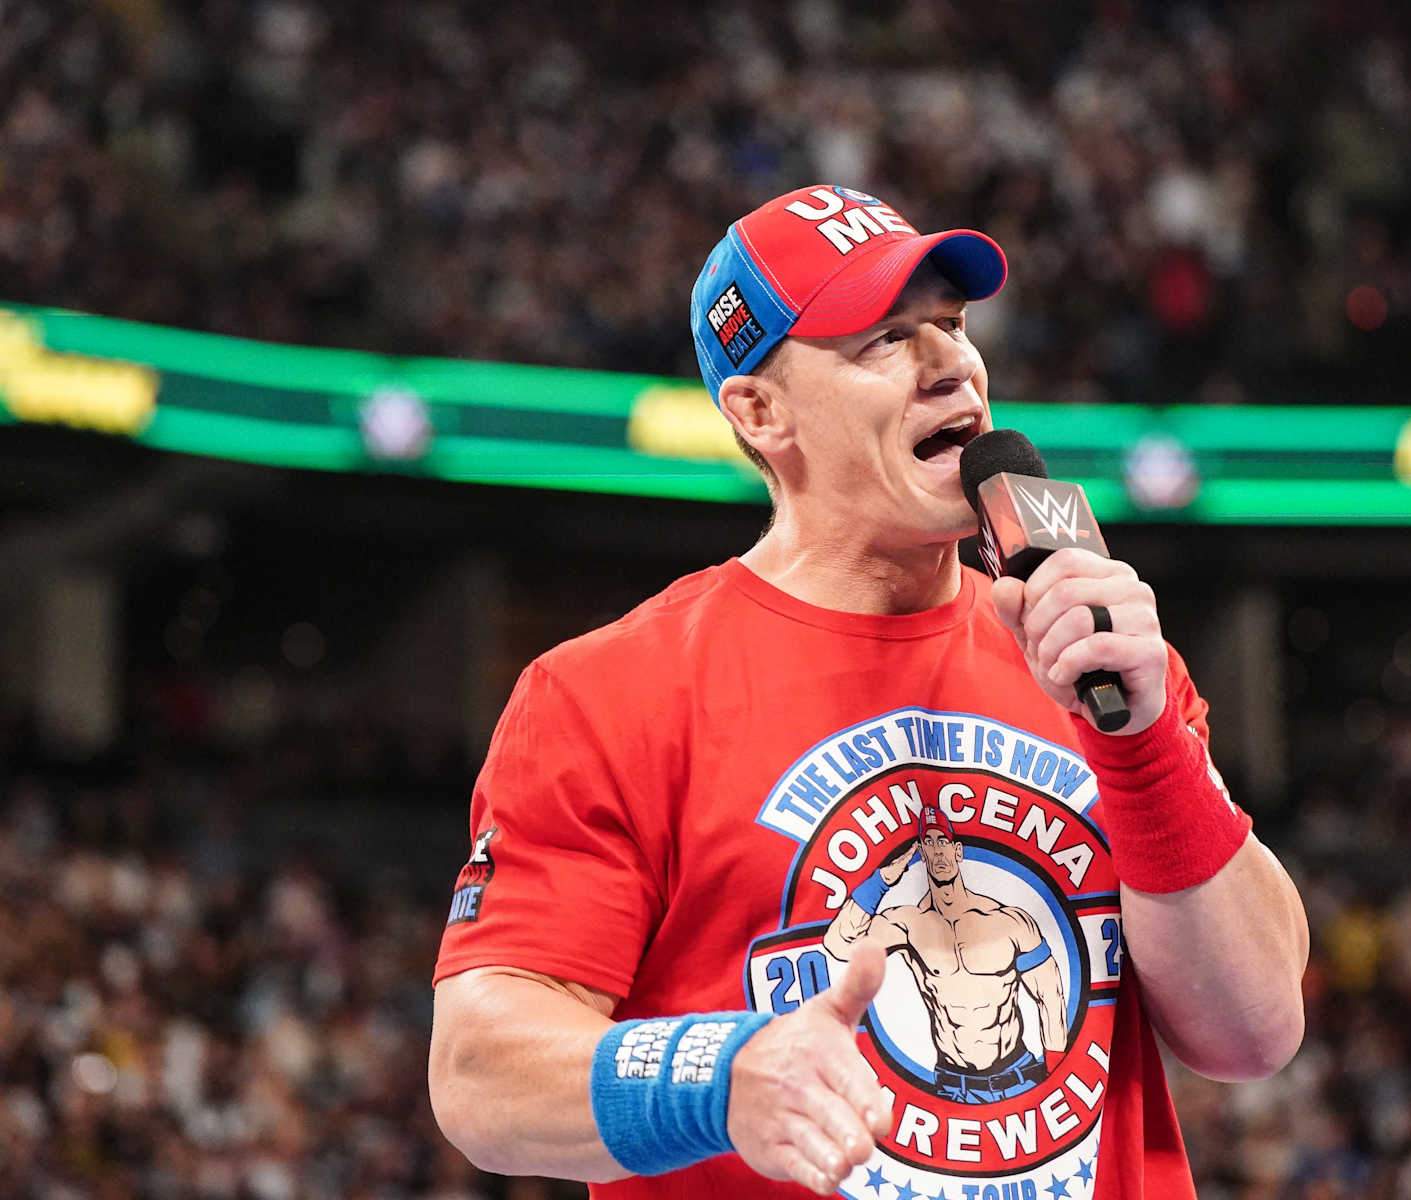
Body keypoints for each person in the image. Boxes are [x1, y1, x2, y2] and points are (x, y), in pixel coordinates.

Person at [428, 184, 1309, 1200]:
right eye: (885, 338)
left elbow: (1255, 1031)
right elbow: (478, 1073)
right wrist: (717, 1079)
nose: (952, 362)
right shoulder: (608, 694)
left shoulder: (1094, 657)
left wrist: (1145, 744)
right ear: (761, 411)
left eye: (952, 323)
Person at [820, 803, 1069, 1104]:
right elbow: (839, 943)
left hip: (1018, 1074)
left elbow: (1050, 995)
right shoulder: (908, 924)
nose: (938, 852)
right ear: (922, 854)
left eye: (943, 842)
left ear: (958, 851)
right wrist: (881, 881)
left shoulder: (1009, 921)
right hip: (954, 1086)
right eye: (929, 843)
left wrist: (1057, 1076)